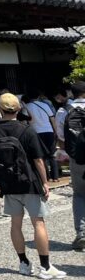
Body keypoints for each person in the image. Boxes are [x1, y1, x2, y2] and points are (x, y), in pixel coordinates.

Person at [0, 93, 66, 279]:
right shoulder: (26, 129)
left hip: (8, 182)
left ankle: (23, 263)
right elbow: (38, 160)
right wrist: (45, 182)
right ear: (18, 108)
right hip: (29, 181)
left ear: (0, 108)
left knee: (15, 223)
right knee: (38, 221)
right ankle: (45, 267)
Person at [56, 81, 85, 252]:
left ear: (71, 94)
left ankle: (82, 233)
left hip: (77, 158)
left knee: (80, 194)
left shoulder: (64, 111)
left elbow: (61, 135)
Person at [24, 92, 60, 180]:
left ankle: (46, 177)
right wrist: (56, 131)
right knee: (52, 154)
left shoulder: (26, 107)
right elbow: (52, 119)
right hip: (49, 131)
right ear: (39, 96)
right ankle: (55, 177)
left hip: (36, 132)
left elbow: (25, 121)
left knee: (40, 155)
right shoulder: (45, 105)